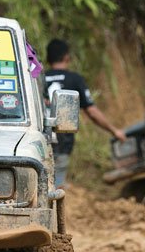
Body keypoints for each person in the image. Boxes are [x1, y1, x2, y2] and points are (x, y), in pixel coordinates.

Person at [43, 38, 127, 187]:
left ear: (48, 58)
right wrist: (114, 131)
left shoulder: (38, 79)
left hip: (40, 139)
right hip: (62, 140)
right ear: (66, 57)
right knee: (56, 185)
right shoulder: (75, 80)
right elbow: (92, 112)